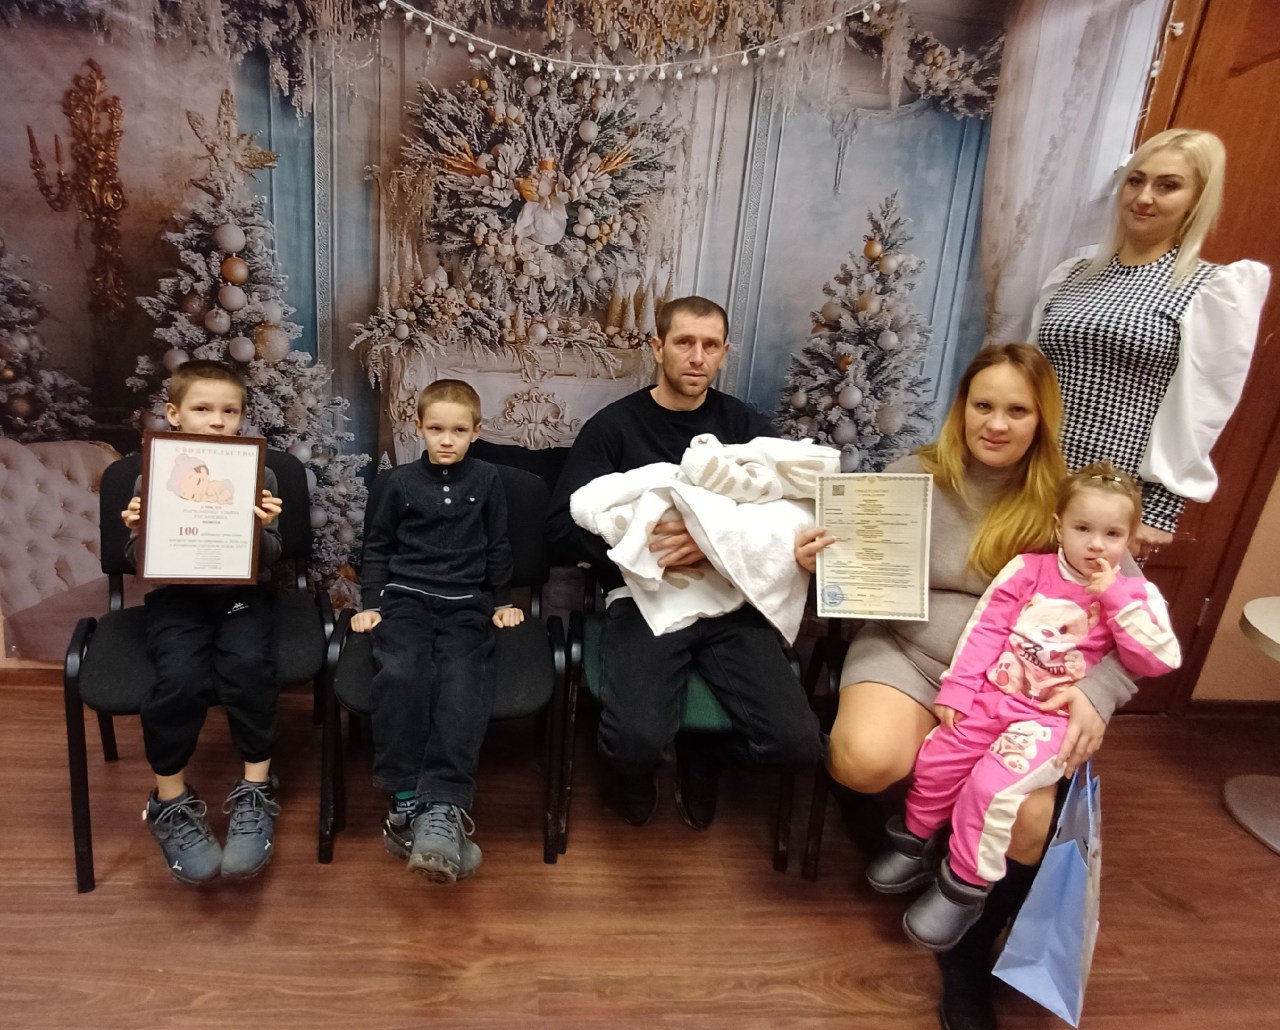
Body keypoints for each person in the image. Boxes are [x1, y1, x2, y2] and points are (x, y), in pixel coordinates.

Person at [795, 344, 1137, 1030]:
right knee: (861, 759)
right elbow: (852, 581)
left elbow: (1137, 617)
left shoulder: (1070, 503)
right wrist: (815, 565)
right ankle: (914, 833)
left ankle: (968, 952)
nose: (997, 424)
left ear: (1041, 418)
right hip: (908, 653)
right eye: (984, 405)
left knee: (1030, 824)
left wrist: (1097, 695)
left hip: (1017, 688)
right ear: (962, 407)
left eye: (1017, 410)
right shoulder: (911, 477)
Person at [865, 462, 1180, 952]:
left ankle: (963, 886)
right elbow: (985, 629)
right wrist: (958, 689)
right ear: (1059, 526)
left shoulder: (1136, 595)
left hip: (1048, 722)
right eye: (1083, 529)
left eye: (1112, 534)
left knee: (989, 790)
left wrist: (1116, 599)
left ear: (1130, 538)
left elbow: (1159, 657)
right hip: (992, 697)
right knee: (938, 759)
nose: (1096, 545)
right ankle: (915, 838)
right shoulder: (1028, 570)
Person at [549, 295, 824, 830]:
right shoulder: (613, 428)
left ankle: (707, 755)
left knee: (798, 744)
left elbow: (788, 508)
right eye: (684, 342)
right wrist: (642, 550)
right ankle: (637, 773)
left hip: (728, 596)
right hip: (645, 597)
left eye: (710, 345)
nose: (697, 357)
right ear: (657, 347)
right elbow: (560, 528)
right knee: (633, 742)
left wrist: (713, 543)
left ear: (724, 353)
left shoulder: (744, 425)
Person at [1031, 128, 1271, 562]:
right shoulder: (1072, 274)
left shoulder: (1210, 289)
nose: (1144, 198)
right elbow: (1030, 377)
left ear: (1196, 200)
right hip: (1033, 475)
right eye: (1136, 181)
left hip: (1112, 500)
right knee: (1005, 591)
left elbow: (1202, 407)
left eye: (1168, 186)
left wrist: (1160, 507)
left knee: (1083, 604)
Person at [351, 379, 523, 884]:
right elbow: (377, 547)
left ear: (476, 431)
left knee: (462, 681)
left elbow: (498, 543)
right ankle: (406, 798)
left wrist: (503, 601)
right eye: (436, 429)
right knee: (402, 672)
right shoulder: (398, 482)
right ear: (419, 428)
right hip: (405, 599)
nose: (446, 440)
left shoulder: (488, 479)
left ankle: (444, 804)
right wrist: (370, 604)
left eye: (459, 431)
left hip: (467, 603)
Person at [121, 360, 284, 884]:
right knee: (179, 679)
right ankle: (169, 800)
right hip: (179, 601)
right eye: (203, 409)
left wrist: (263, 529)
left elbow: (272, 556)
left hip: (242, 597)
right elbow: (135, 560)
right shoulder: (154, 472)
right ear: (174, 414)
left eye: (230, 411)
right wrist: (140, 531)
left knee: (248, 667)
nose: (217, 420)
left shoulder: (260, 473)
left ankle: (256, 788)